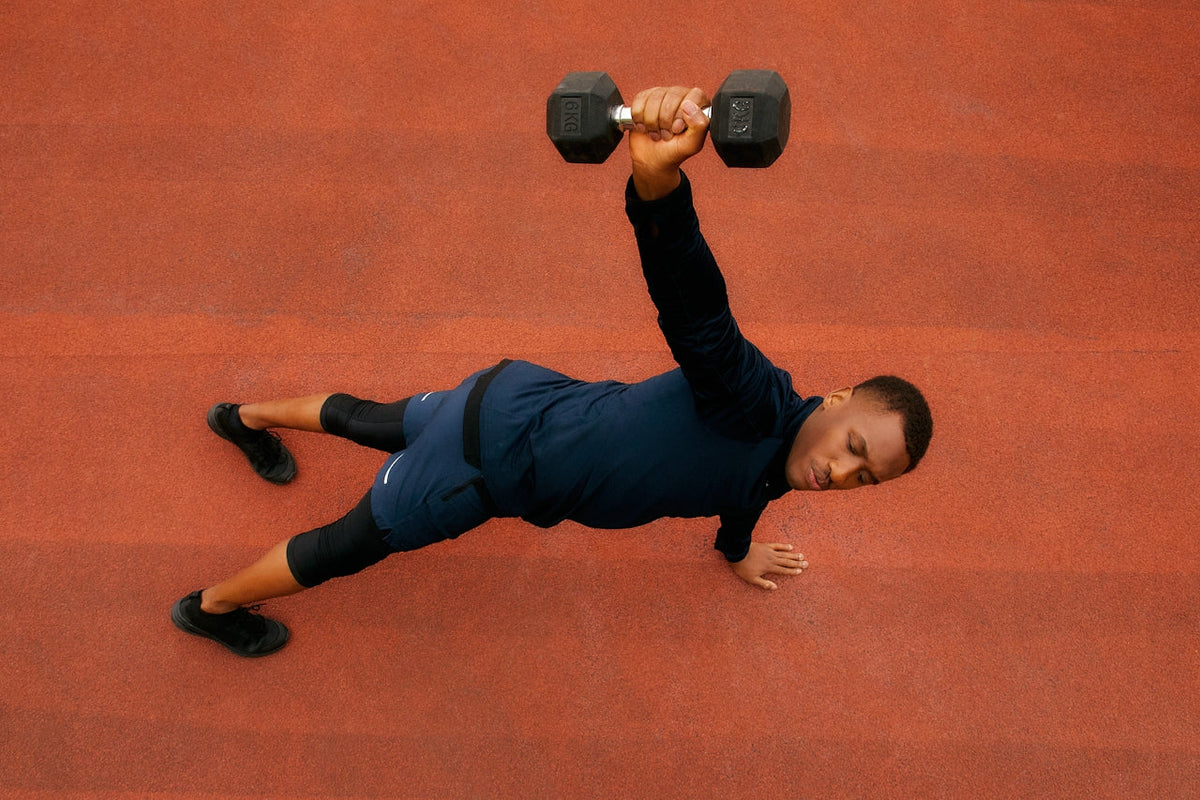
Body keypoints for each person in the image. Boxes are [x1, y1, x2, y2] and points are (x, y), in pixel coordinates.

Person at [171, 85, 933, 657]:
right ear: (836, 401)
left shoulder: (781, 457)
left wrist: (736, 550)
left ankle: (243, 419)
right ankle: (209, 609)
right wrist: (657, 186)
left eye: (864, 480)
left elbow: (749, 489)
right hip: (491, 464)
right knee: (346, 547)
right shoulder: (752, 401)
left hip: (514, 392)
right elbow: (698, 315)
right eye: (855, 449)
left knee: (371, 419)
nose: (838, 473)